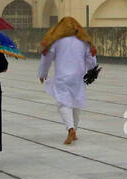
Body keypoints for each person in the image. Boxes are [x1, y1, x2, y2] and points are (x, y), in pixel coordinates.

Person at [38, 16, 97, 145]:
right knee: (76, 102)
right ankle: (74, 129)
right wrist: (92, 70)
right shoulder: (83, 41)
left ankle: (70, 129)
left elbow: (47, 58)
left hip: (62, 76)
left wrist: (43, 73)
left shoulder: (56, 41)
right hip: (78, 76)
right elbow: (91, 59)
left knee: (63, 103)